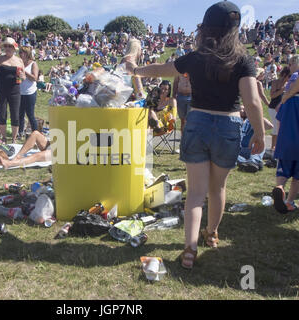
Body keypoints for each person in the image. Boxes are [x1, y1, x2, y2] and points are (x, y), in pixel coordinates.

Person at [125, 1, 265, 269]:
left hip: (198, 122)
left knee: (196, 193)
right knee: (218, 188)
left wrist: (137, 71)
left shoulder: (196, 57)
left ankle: (189, 249)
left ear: (205, 27)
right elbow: (253, 102)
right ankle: (211, 234)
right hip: (228, 125)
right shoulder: (243, 60)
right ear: (235, 30)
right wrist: (258, 133)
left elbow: (163, 69)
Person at [272, 55, 299, 214]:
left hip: (287, 141)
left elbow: (278, 117)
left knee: (283, 170)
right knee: (297, 177)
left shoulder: (287, 102)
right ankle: (289, 202)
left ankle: (279, 188)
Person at [0, 37, 25, 144]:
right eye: (6, 46)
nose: (8, 48)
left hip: (15, 90)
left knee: (15, 115)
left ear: (14, 47)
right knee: (2, 114)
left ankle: (14, 139)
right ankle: (4, 137)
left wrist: (22, 76)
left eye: (10, 46)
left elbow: (23, 77)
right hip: (1, 90)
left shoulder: (19, 60)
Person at [237, 105, 273, 172]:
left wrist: (256, 115)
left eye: (245, 109)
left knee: (259, 145)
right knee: (231, 154)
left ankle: (253, 162)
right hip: (237, 150)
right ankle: (246, 163)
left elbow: (270, 126)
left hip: (249, 149)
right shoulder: (233, 121)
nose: (243, 110)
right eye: (241, 109)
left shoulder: (252, 121)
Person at [268, 67, 291, 153]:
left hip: (282, 108)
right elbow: (272, 96)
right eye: (289, 76)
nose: (290, 78)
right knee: (276, 128)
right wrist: (282, 90)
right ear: (285, 75)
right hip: (273, 108)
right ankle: (273, 148)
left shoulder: (289, 84)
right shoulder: (275, 82)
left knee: (280, 128)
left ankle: (276, 147)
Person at [19, 46, 38, 139]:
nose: (19, 54)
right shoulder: (18, 63)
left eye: (21, 52)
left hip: (30, 93)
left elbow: (35, 78)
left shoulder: (33, 64)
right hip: (19, 92)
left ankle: (35, 133)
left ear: (26, 54)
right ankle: (20, 133)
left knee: (30, 114)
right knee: (20, 114)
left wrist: (24, 72)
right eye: (19, 52)